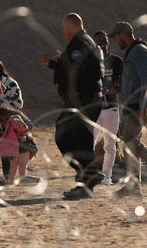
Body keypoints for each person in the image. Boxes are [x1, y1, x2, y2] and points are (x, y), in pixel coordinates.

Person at [38, 13, 104, 200]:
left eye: (64, 27)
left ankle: (90, 172)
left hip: (82, 100)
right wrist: (53, 63)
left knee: (63, 134)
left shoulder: (80, 43)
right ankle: (84, 186)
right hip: (88, 99)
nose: (63, 31)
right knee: (82, 141)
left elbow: (75, 70)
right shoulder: (84, 41)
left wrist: (62, 62)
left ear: (73, 26)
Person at [107, 22, 147, 196]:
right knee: (129, 146)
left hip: (138, 106)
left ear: (124, 35)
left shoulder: (140, 51)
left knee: (131, 143)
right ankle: (134, 185)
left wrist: (144, 105)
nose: (114, 41)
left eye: (115, 37)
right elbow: (133, 80)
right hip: (130, 105)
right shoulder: (132, 52)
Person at [92, 30, 123, 186]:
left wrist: (108, 90)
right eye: (99, 43)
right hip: (94, 109)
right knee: (89, 142)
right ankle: (89, 175)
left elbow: (123, 86)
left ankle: (106, 177)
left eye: (105, 42)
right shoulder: (90, 62)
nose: (103, 46)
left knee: (109, 146)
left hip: (111, 108)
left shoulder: (116, 61)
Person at [0, 107, 39, 185]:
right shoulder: (14, 119)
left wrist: (17, 131)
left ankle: (9, 182)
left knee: (13, 167)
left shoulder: (12, 120)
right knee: (21, 168)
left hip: (17, 147)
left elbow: (30, 126)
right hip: (24, 146)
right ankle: (30, 180)